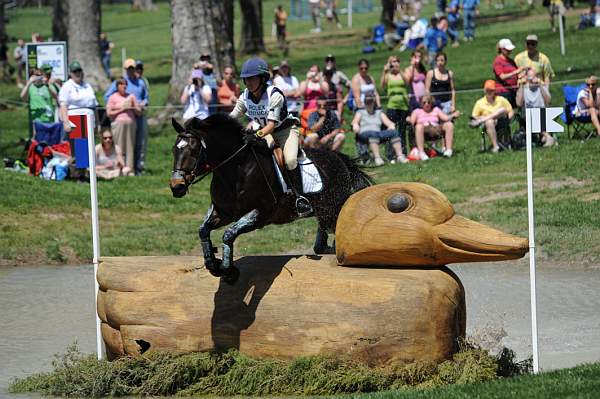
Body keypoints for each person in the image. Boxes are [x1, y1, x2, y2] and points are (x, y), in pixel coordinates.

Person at [229, 57, 312, 216]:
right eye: (246, 79)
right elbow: (232, 117)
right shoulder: (245, 96)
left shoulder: (274, 94)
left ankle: (300, 197)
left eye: (252, 78)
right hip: (263, 131)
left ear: (262, 78)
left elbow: (272, 125)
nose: (249, 82)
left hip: (284, 131)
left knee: (290, 160)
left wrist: (256, 134)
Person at [104, 58, 149, 175]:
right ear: (125, 70)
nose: (131, 71)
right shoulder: (119, 82)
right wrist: (120, 105)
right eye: (128, 69)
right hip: (122, 117)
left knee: (139, 143)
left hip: (137, 115)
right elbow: (107, 97)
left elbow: (146, 98)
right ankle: (120, 167)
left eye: (132, 68)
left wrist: (141, 104)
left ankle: (137, 167)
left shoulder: (141, 82)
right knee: (120, 145)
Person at [352, 96, 408, 165]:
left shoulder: (379, 112)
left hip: (378, 133)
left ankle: (400, 156)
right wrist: (355, 126)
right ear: (365, 103)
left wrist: (391, 126)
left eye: (370, 102)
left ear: (373, 102)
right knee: (372, 134)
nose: (369, 104)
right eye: (367, 102)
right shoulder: (360, 112)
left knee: (394, 133)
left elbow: (389, 123)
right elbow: (355, 122)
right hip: (364, 133)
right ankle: (377, 158)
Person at [106, 78, 141, 174]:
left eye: (125, 84)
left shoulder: (131, 96)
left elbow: (139, 112)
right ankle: (119, 169)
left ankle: (130, 170)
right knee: (119, 146)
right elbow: (109, 113)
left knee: (130, 146)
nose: (124, 86)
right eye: (121, 84)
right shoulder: (113, 97)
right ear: (117, 86)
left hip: (131, 123)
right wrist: (122, 109)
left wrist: (133, 107)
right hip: (118, 124)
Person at [469, 80, 514, 153]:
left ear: (495, 91)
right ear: (484, 90)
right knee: (489, 121)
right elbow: (474, 118)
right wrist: (485, 118)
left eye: (491, 90)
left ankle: (486, 119)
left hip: (502, 121)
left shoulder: (501, 99)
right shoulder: (479, 103)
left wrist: (508, 119)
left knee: (502, 110)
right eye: (487, 90)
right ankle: (496, 146)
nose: (489, 92)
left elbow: (510, 111)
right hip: (489, 125)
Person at [410, 94, 459, 160]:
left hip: (436, 130)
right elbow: (411, 122)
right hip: (424, 130)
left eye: (428, 102)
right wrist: (408, 119)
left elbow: (445, 118)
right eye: (424, 102)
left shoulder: (436, 110)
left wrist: (453, 115)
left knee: (449, 125)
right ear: (421, 103)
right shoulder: (417, 111)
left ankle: (448, 151)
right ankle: (421, 153)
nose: (426, 104)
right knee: (419, 126)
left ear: (431, 103)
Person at [516, 68, 555, 146]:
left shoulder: (542, 86)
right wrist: (521, 86)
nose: (532, 80)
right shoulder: (524, 88)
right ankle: (547, 136)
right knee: (533, 115)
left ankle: (545, 137)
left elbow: (548, 101)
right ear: (526, 77)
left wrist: (540, 86)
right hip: (528, 114)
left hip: (542, 112)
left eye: (534, 77)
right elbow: (519, 103)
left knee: (540, 114)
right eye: (530, 77)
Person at [58, 61, 99, 137]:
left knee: (89, 146)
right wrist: (66, 122)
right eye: (75, 71)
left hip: (89, 120)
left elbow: (94, 106)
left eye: (79, 70)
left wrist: (97, 123)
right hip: (74, 120)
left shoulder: (87, 86)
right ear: (70, 73)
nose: (77, 73)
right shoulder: (67, 86)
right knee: (77, 146)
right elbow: (63, 106)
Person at [381, 55, 411, 153]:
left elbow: (407, 81)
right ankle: (391, 153)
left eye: (396, 61)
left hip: (403, 105)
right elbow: (382, 85)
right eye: (392, 62)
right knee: (391, 129)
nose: (394, 63)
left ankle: (403, 153)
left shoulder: (402, 73)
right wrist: (384, 71)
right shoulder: (388, 75)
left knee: (402, 130)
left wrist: (399, 70)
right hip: (392, 106)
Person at [493, 38, 522, 107]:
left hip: (513, 90)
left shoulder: (511, 61)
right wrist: (515, 72)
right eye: (507, 50)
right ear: (501, 49)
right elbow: (502, 76)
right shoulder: (498, 61)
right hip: (503, 92)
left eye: (510, 49)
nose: (510, 51)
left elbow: (518, 73)